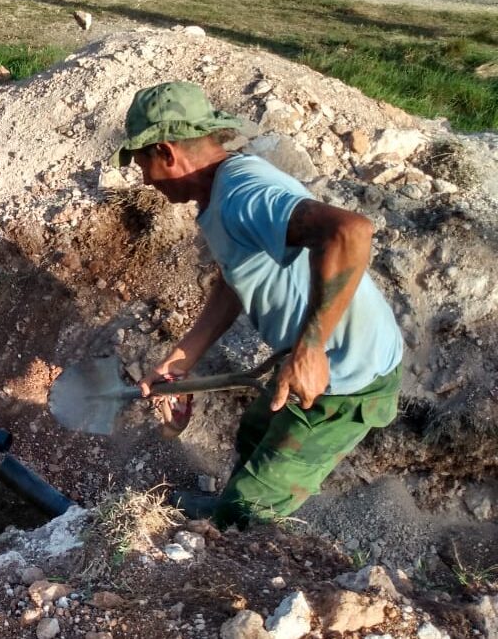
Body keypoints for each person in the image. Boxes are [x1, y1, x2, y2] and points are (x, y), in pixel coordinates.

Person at [113, 82, 403, 528]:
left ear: (165, 152)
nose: (145, 180)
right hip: (309, 356)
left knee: (249, 515)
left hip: (346, 377)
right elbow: (237, 276)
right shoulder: (219, 193)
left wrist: (310, 349)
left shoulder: (243, 194)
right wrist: (183, 357)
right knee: (254, 432)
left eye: (142, 165)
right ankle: (227, 507)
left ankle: (235, 534)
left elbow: (350, 232)